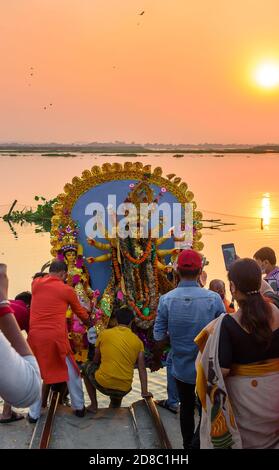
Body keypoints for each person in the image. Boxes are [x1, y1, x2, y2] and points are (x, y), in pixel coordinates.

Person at [196, 258, 279, 449]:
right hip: (274, 403)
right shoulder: (276, 312)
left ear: (232, 287)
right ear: (260, 283)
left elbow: (219, 372)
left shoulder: (228, 324)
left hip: (246, 409)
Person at [153, 249, 225, 449]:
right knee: (205, 407)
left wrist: (163, 350)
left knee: (185, 406)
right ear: (200, 270)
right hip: (208, 365)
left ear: (176, 271)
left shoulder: (166, 299)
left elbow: (158, 335)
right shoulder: (214, 299)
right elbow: (223, 330)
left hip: (181, 365)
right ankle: (199, 443)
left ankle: (187, 446)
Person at [27, 260, 90, 422]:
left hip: (35, 336)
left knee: (36, 373)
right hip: (55, 337)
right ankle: (79, 407)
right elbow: (81, 313)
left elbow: (39, 277)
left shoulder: (36, 284)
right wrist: (91, 321)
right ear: (63, 274)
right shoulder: (66, 290)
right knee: (73, 372)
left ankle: (33, 414)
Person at [82, 307, 152, 413]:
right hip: (124, 388)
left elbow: (95, 360)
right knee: (120, 374)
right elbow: (142, 368)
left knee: (86, 366)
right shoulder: (138, 342)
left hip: (103, 384)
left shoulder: (104, 334)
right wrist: (144, 391)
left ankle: (93, 405)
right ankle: (115, 405)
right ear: (131, 322)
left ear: (115, 320)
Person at [0, 264, 41, 423]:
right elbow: (32, 340)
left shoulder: (12, 303)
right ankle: (6, 413)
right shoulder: (26, 311)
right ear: (30, 304)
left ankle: (7, 412)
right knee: (19, 374)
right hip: (5, 330)